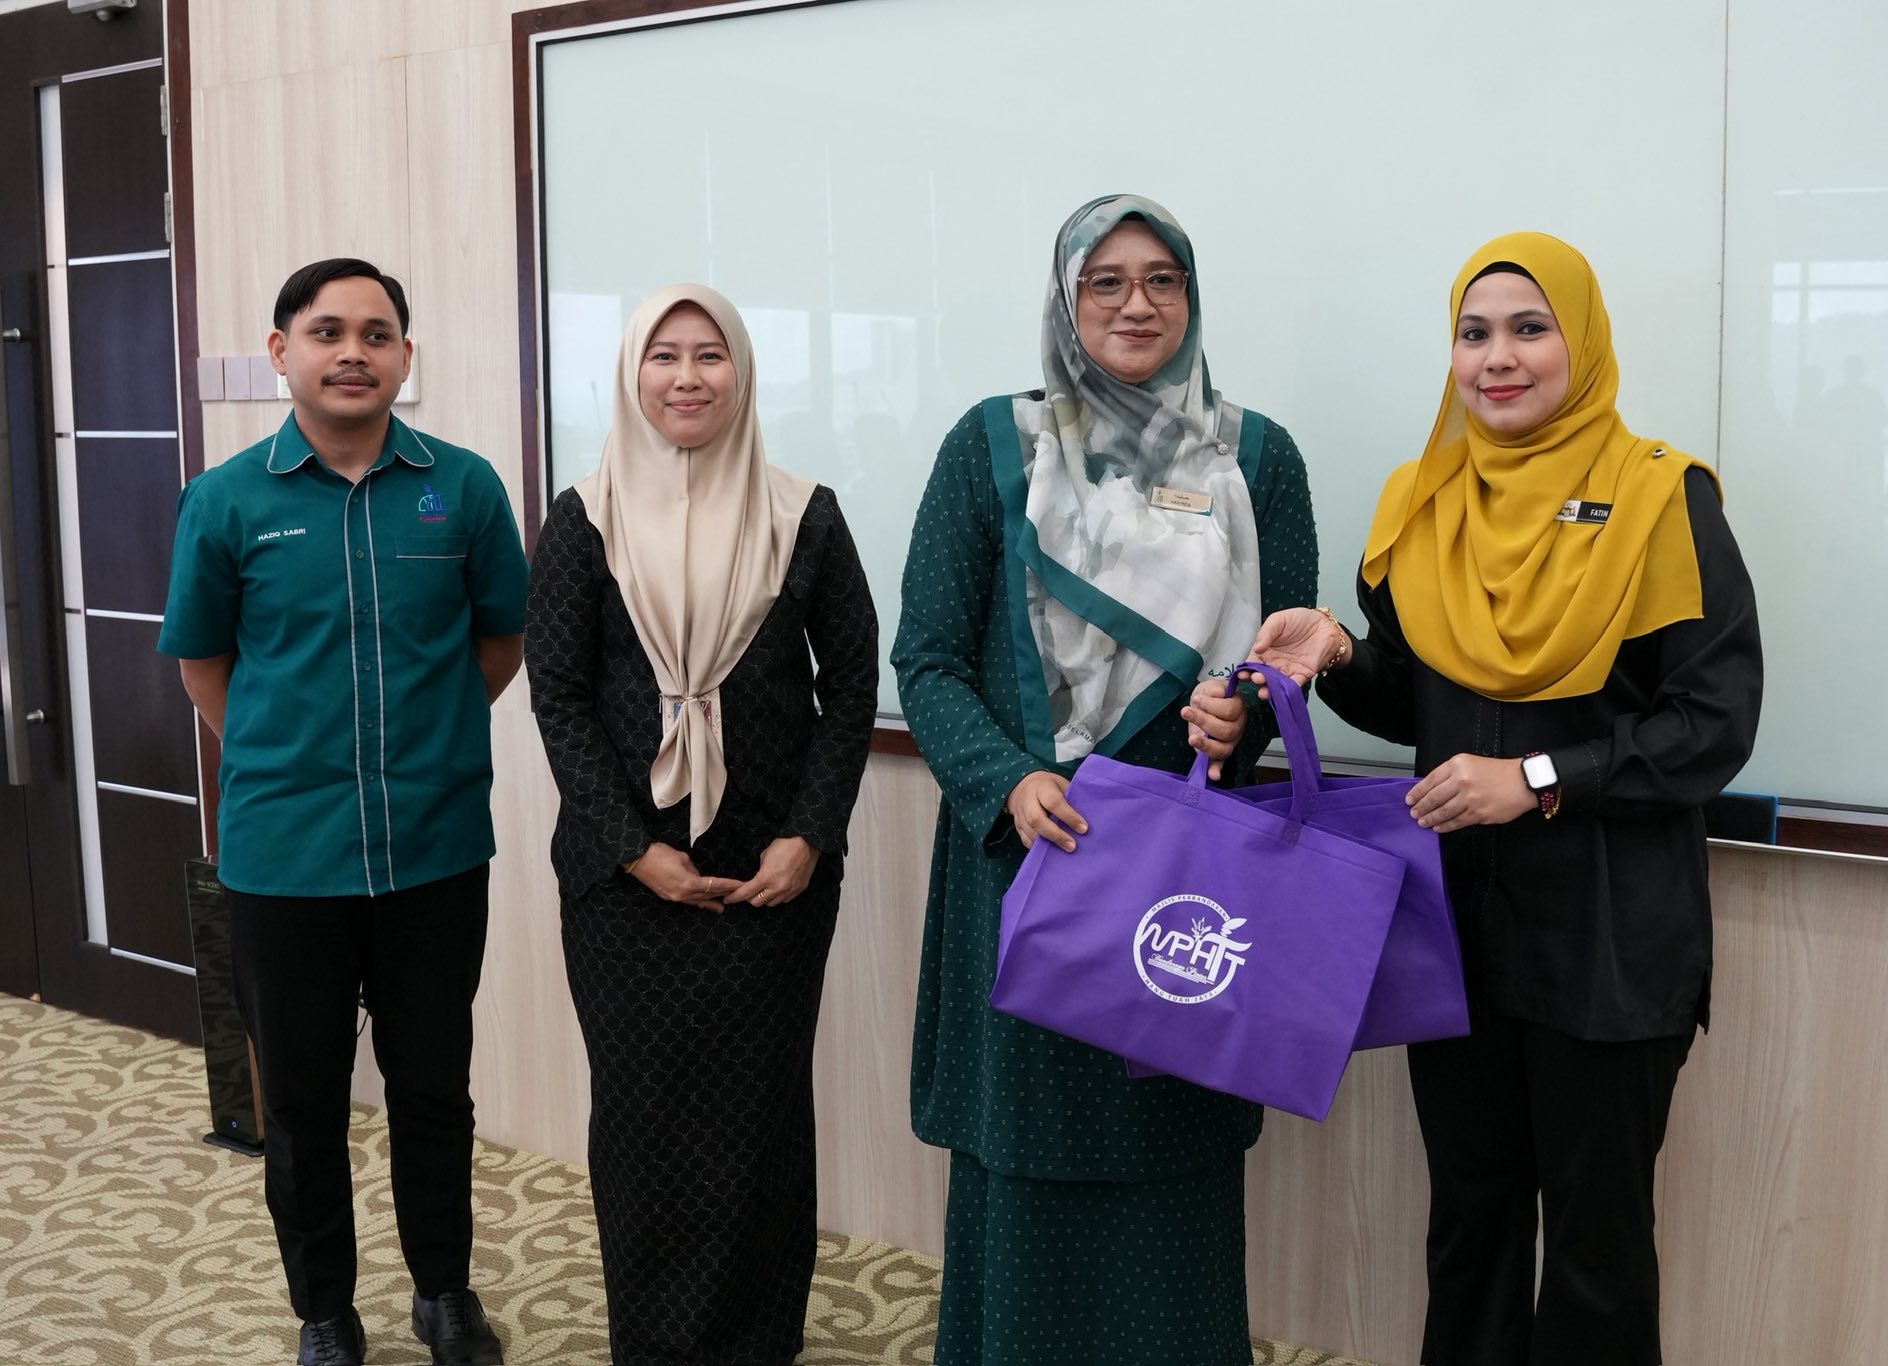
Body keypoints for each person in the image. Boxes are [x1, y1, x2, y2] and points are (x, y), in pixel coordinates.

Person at [1194, 232, 1764, 1365]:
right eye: (1473, 333)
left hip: (1608, 939)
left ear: (1580, 343)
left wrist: (1537, 780)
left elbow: (1711, 725)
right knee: (1470, 1226)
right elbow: (1418, 698)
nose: (1497, 357)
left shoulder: (1663, 500)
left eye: (1528, 329)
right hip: (1452, 929)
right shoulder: (1422, 504)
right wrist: (1339, 654)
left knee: (1597, 1250)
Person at [892, 194, 1318, 1366]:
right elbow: (926, 657)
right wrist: (1005, 780)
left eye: (1161, 279)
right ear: (1065, 298)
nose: (1136, 304)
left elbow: (1281, 669)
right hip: (1025, 859)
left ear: (1190, 298)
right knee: (1021, 1165)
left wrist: (1242, 715)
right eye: (1105, 280)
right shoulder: (993, 445)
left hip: (1182, 878)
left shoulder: (1256, 457)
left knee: (1170, 1157)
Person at [160, 258, 527, 1366]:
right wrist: (288, 752)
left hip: (434, 849)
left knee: (433, 1092)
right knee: (303, 1105)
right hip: (284, 857)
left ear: (406, 356)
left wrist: (424, 741)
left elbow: (497, 643)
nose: (353, 352)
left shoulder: (463, 488)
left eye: (377, 333)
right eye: (327, 332)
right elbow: (204, 664)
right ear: (283, 351)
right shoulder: (227, 499)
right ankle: (325, 1311)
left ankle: (444, 1293)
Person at [524, 283, 878, 1366]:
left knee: (759, 1123)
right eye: (663, 355)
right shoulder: (583, 519)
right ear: (631, 374)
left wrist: (808, 837)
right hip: (622, 889)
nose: (687, 376)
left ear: (743, 374)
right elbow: (558, 698)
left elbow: (852, 687)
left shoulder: (804, 514)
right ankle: (658, 1346)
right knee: (644, 1126)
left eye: (710, 354)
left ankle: (759, 1343)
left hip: (774, 881)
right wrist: (637, 852)